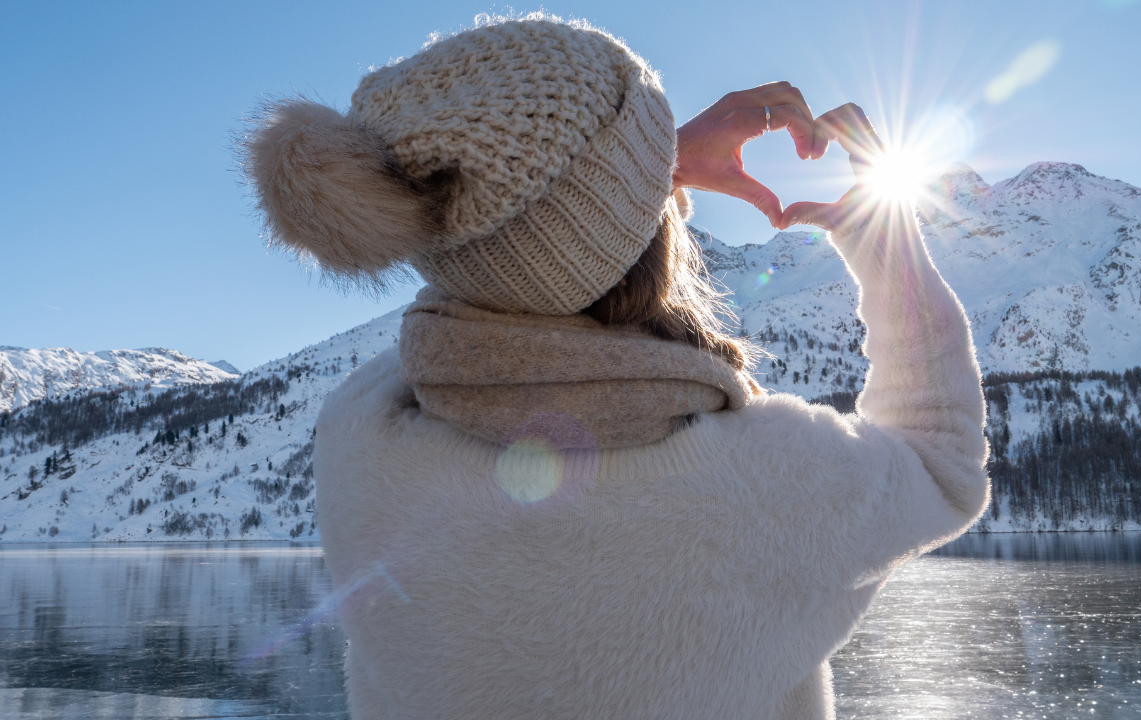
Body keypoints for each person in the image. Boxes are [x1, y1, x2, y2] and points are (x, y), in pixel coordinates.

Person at [245, 15, 988, 720]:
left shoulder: (361, 445)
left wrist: (631, 179)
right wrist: (883, 241)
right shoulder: (772, 485)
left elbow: (487, 288)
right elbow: (943, 462)